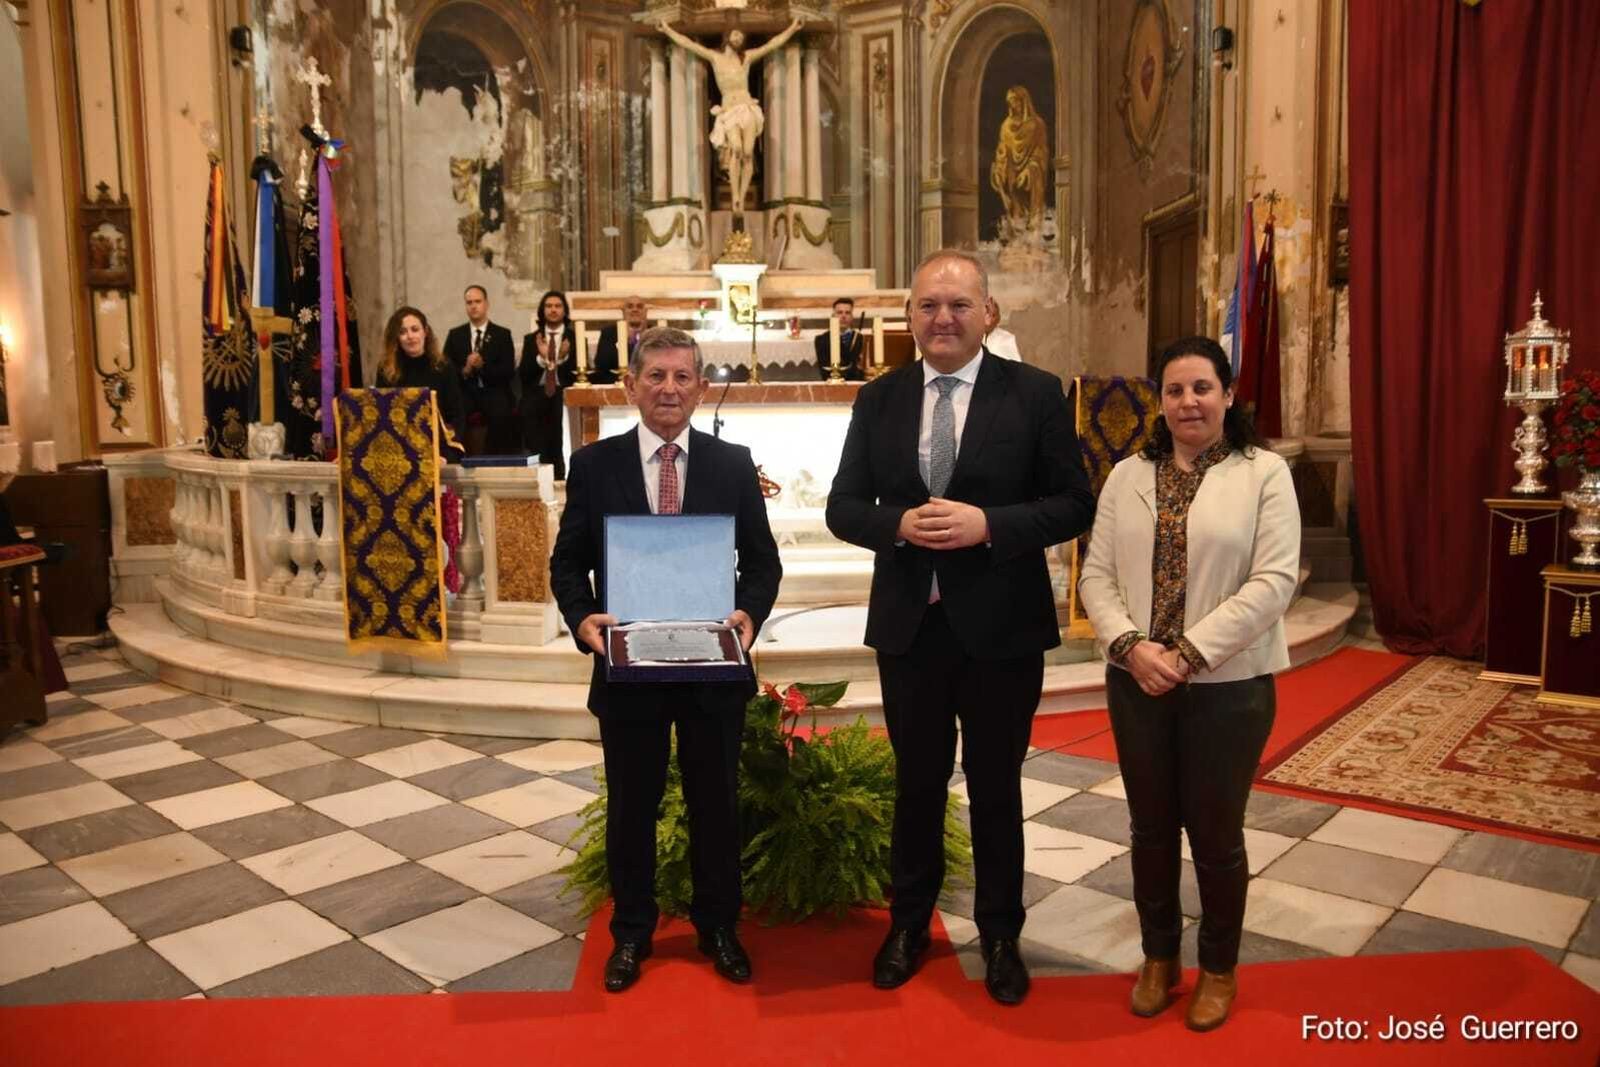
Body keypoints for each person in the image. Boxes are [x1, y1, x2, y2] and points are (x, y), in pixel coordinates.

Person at [826, 250, 1096, 1005]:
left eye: (957, 305)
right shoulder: (877, 401)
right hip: (912, 627)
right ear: (909, 316)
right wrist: (898, 525)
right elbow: (842, 506)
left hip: (1001, 627)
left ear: (988, 314)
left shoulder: (1037, 395)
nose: (942, 319)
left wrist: (990, 524)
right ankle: (908, 924)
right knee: (915, 784)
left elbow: (1076, 503)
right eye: (927, 306)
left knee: (996, 786)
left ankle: (1002, 933)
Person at [549, 326, 782, 995]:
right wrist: (582, 616)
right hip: (628, 672)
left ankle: (718, 925)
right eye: (656, 376)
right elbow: (567, 562)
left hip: (712, 668)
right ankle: (631, 931)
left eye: (683, 377)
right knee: (632, 805)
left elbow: (762, 563)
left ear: (701, 386)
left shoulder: (733, 464)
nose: (670, 389)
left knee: (717, 802)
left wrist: (748, 613)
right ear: (631, 384)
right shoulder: (594, 465)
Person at [1077, 335, 1300, 1032]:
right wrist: (1129, 646)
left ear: (1228, 394)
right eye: (1174, 390)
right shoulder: (1127, 477)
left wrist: (1190, 652)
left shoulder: (1264, 473)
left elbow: (1274, 582)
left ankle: (1220, 967)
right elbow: (1096, 576)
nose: (1188, 401)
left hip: (1228, 684)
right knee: (1148, 829)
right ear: (1160, 401)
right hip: (1136, 679)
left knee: (1215, 832)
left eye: (1202, 387)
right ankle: (1157, 958)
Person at [655, 18, 803, 221]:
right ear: (727, 38)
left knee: (749, 153)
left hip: (747, 108)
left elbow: (772, 44)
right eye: (735, 34)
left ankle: (741, 197)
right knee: (736, 149)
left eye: (741, 36)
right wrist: (667, 30)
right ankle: (735, 196)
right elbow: (689, 44)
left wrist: (792, 28)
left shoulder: (747, 57)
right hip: (729, 111)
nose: (739, 38)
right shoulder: (715, 58)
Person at [375, 306, 466, 462]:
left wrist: (445, 454)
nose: (410, 336)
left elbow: (456, 414)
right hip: (398, 446)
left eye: (415, 329)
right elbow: (379, 414)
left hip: (438, 445)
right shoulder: (386, 370)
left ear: (426, 331)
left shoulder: (443, 367)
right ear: (396, 338)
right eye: (403, 332)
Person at [443, 285, 520, 454]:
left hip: (493, 390)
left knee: (501, 411)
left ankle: (495, 459)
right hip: (465, 391)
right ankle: (457, 455)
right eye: (469, 302)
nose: (473, 306)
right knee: (455, 411)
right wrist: (465, 369)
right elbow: (445, 368)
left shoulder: (502, 334)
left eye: (477, 301)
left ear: (486, 304)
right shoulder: (455, 335)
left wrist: (482, 366)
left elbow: (507, 371)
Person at [520, 290, 577, 478]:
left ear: (564, 310)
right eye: (549, 306)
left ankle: (562, 478)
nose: (553, 310)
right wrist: (543, 358)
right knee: (532, 419)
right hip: (537, 393)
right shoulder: (532, 339)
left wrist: (561, 358)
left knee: (560, 434)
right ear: (542, 310)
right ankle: (538, 478)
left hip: (564, 393)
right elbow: (524, 374)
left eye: (558, 306)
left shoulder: (574, 337)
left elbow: (578, 373)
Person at [990, 85, 1050, 235]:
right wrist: (998, 170)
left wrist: (1030, 170)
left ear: (1024, 102)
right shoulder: (1005, 127)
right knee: (1016, 217)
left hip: (1032, 179)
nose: (1012, 105)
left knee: (1032, 219)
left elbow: (1041, 152)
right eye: (1009, 102)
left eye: (1015, 101)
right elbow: (1002, 152)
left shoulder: (1036, 125)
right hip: (1011, 179)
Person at [592, 295, 650, 386]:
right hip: (617, 385)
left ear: (645, 312)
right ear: (623, 312)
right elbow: (602, 366)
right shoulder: (609, 333)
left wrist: (644, 341)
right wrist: (625, 341)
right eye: (630, 306)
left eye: (639, 306)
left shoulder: (654, 333)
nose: (635, 309)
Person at [814, 297, 867, 381]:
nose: (843, 316)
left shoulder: (860, 338)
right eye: (839, 312)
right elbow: (824, 369)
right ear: (833, 316)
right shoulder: (821, 340)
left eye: (847, 313)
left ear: (852, 316)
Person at [983, 298, 1022, 362]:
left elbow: (1015, 367)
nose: (989, 320)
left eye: (993, 315)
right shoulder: (970, 337)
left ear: (998, 318)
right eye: (985, 315)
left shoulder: (1007, 339)